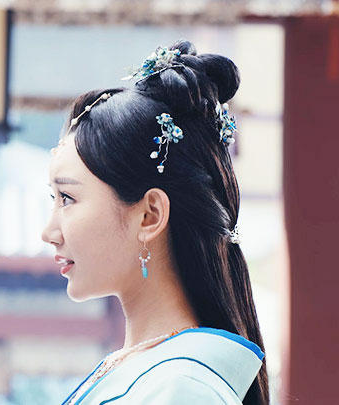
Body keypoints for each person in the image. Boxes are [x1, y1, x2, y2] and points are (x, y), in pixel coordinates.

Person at [42, 41, 267, 404]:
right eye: (52, 199)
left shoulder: (181, 389)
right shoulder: (148, 371)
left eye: (67, 198)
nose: (48, 233)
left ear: (150, 215)